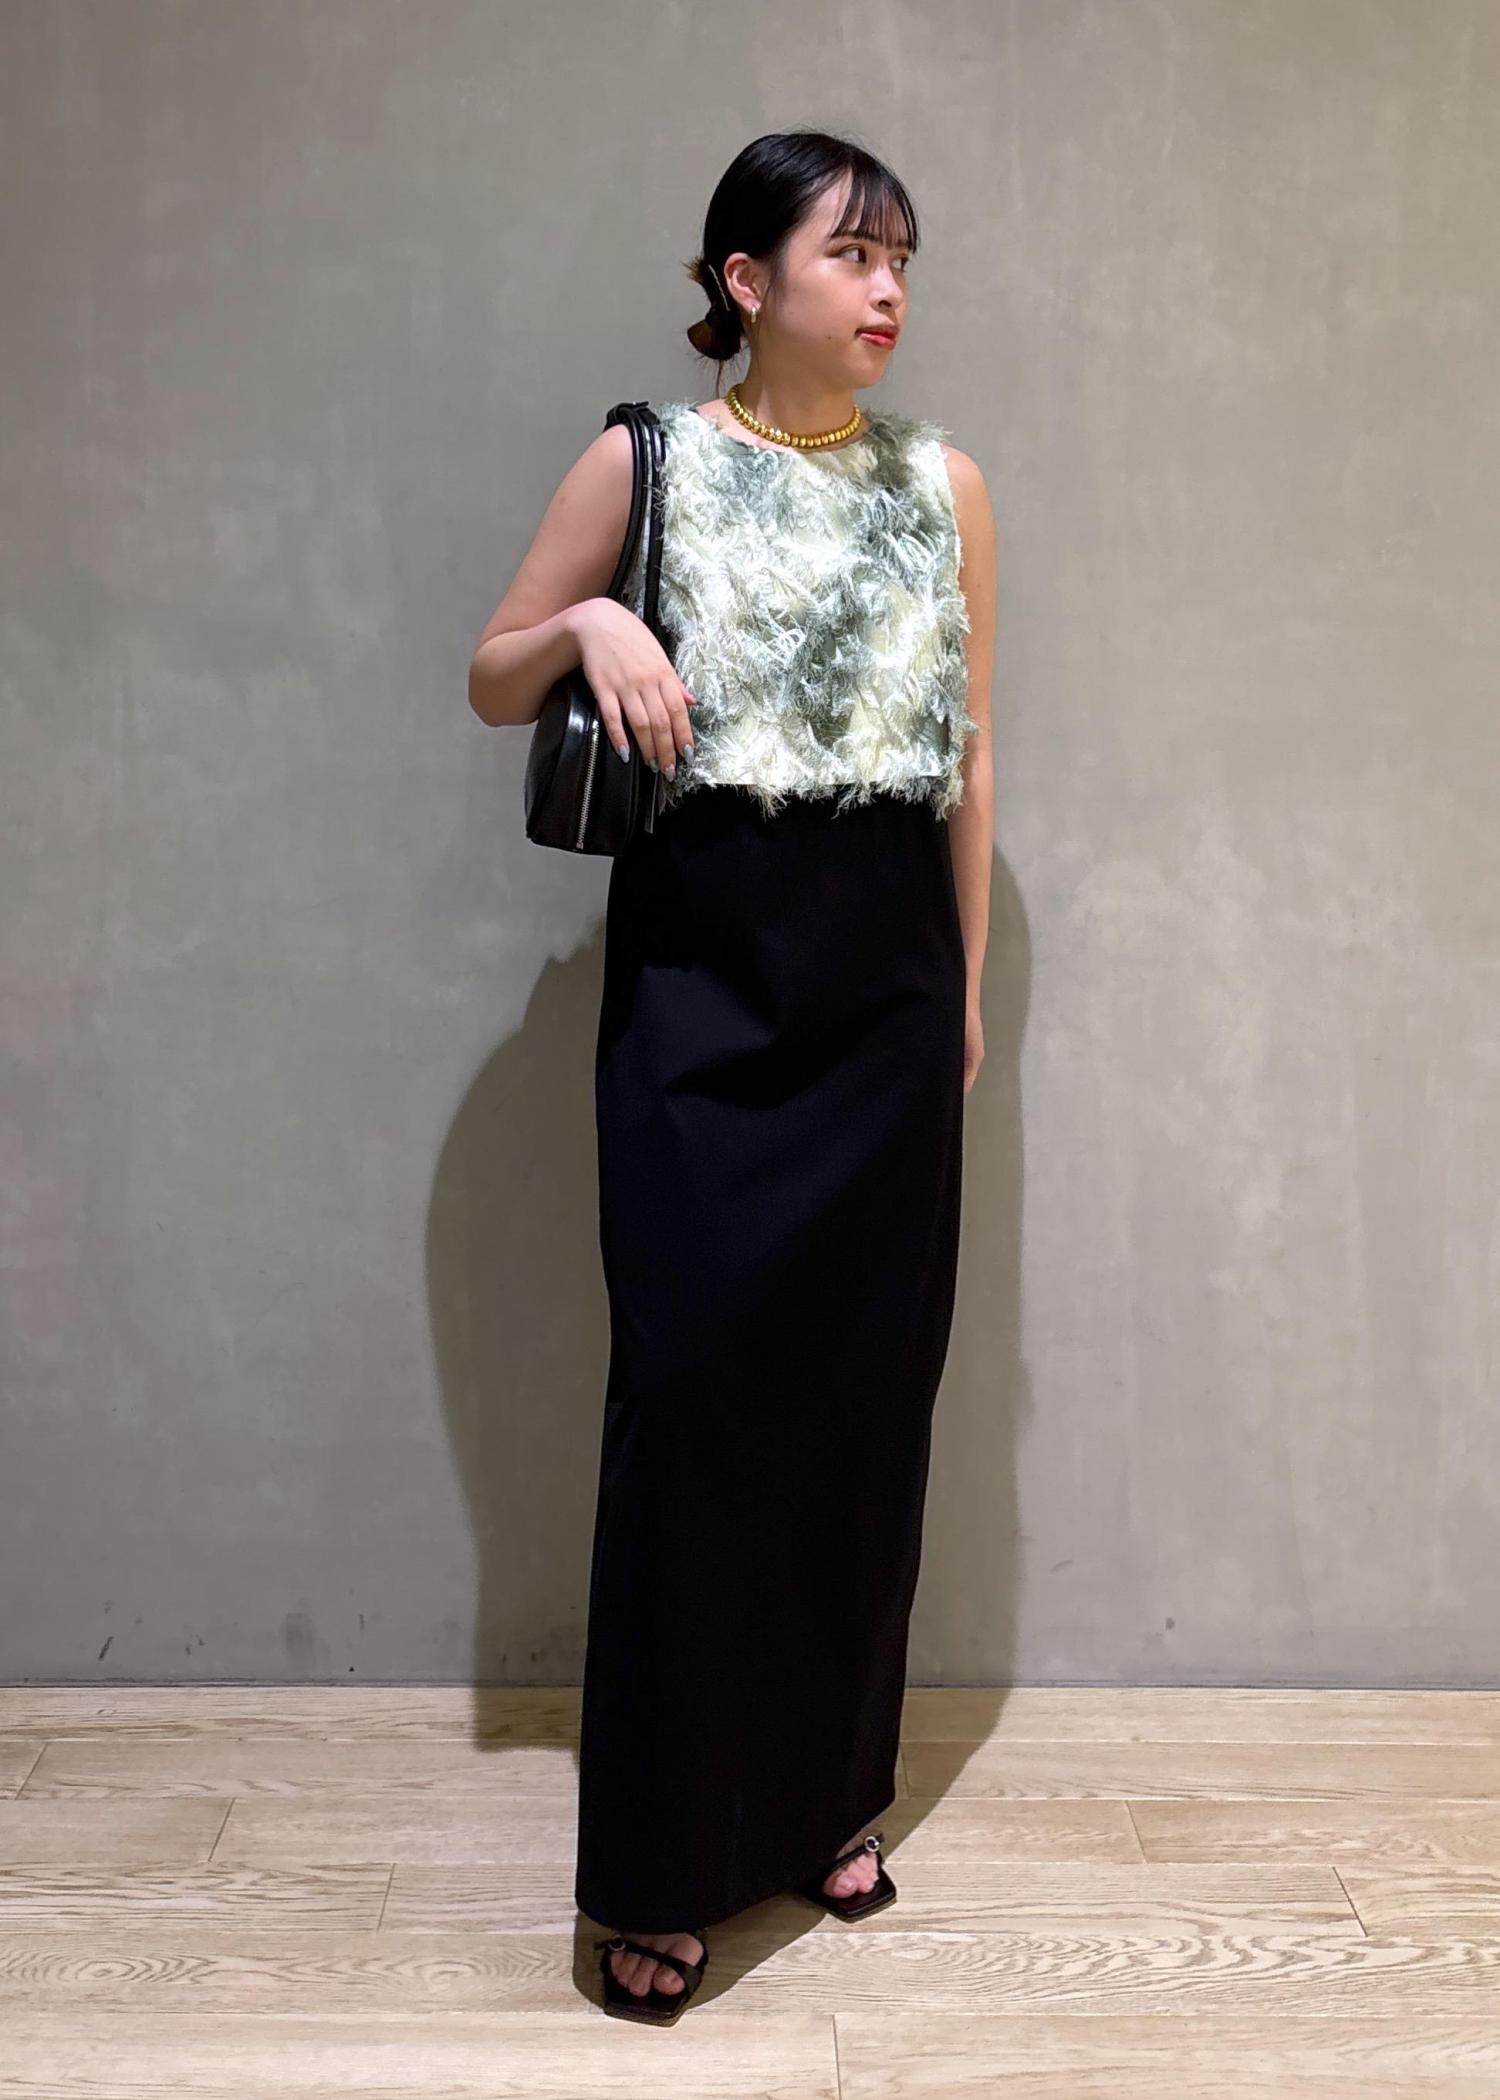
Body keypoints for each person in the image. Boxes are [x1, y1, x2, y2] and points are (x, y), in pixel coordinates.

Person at [468, 129, 996, 2025]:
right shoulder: (647, 462)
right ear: (745, 279)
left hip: (885, 981)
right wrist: (593, 618)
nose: (889, 288)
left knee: (864, 1406)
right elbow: (494, 673)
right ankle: (662, 1859)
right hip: (709, 969)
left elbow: (970, 748)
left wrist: (963, 993)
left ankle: (828, 1793)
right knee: (694, 1406)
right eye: (852, 253)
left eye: (902, 257)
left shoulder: (944, 484)